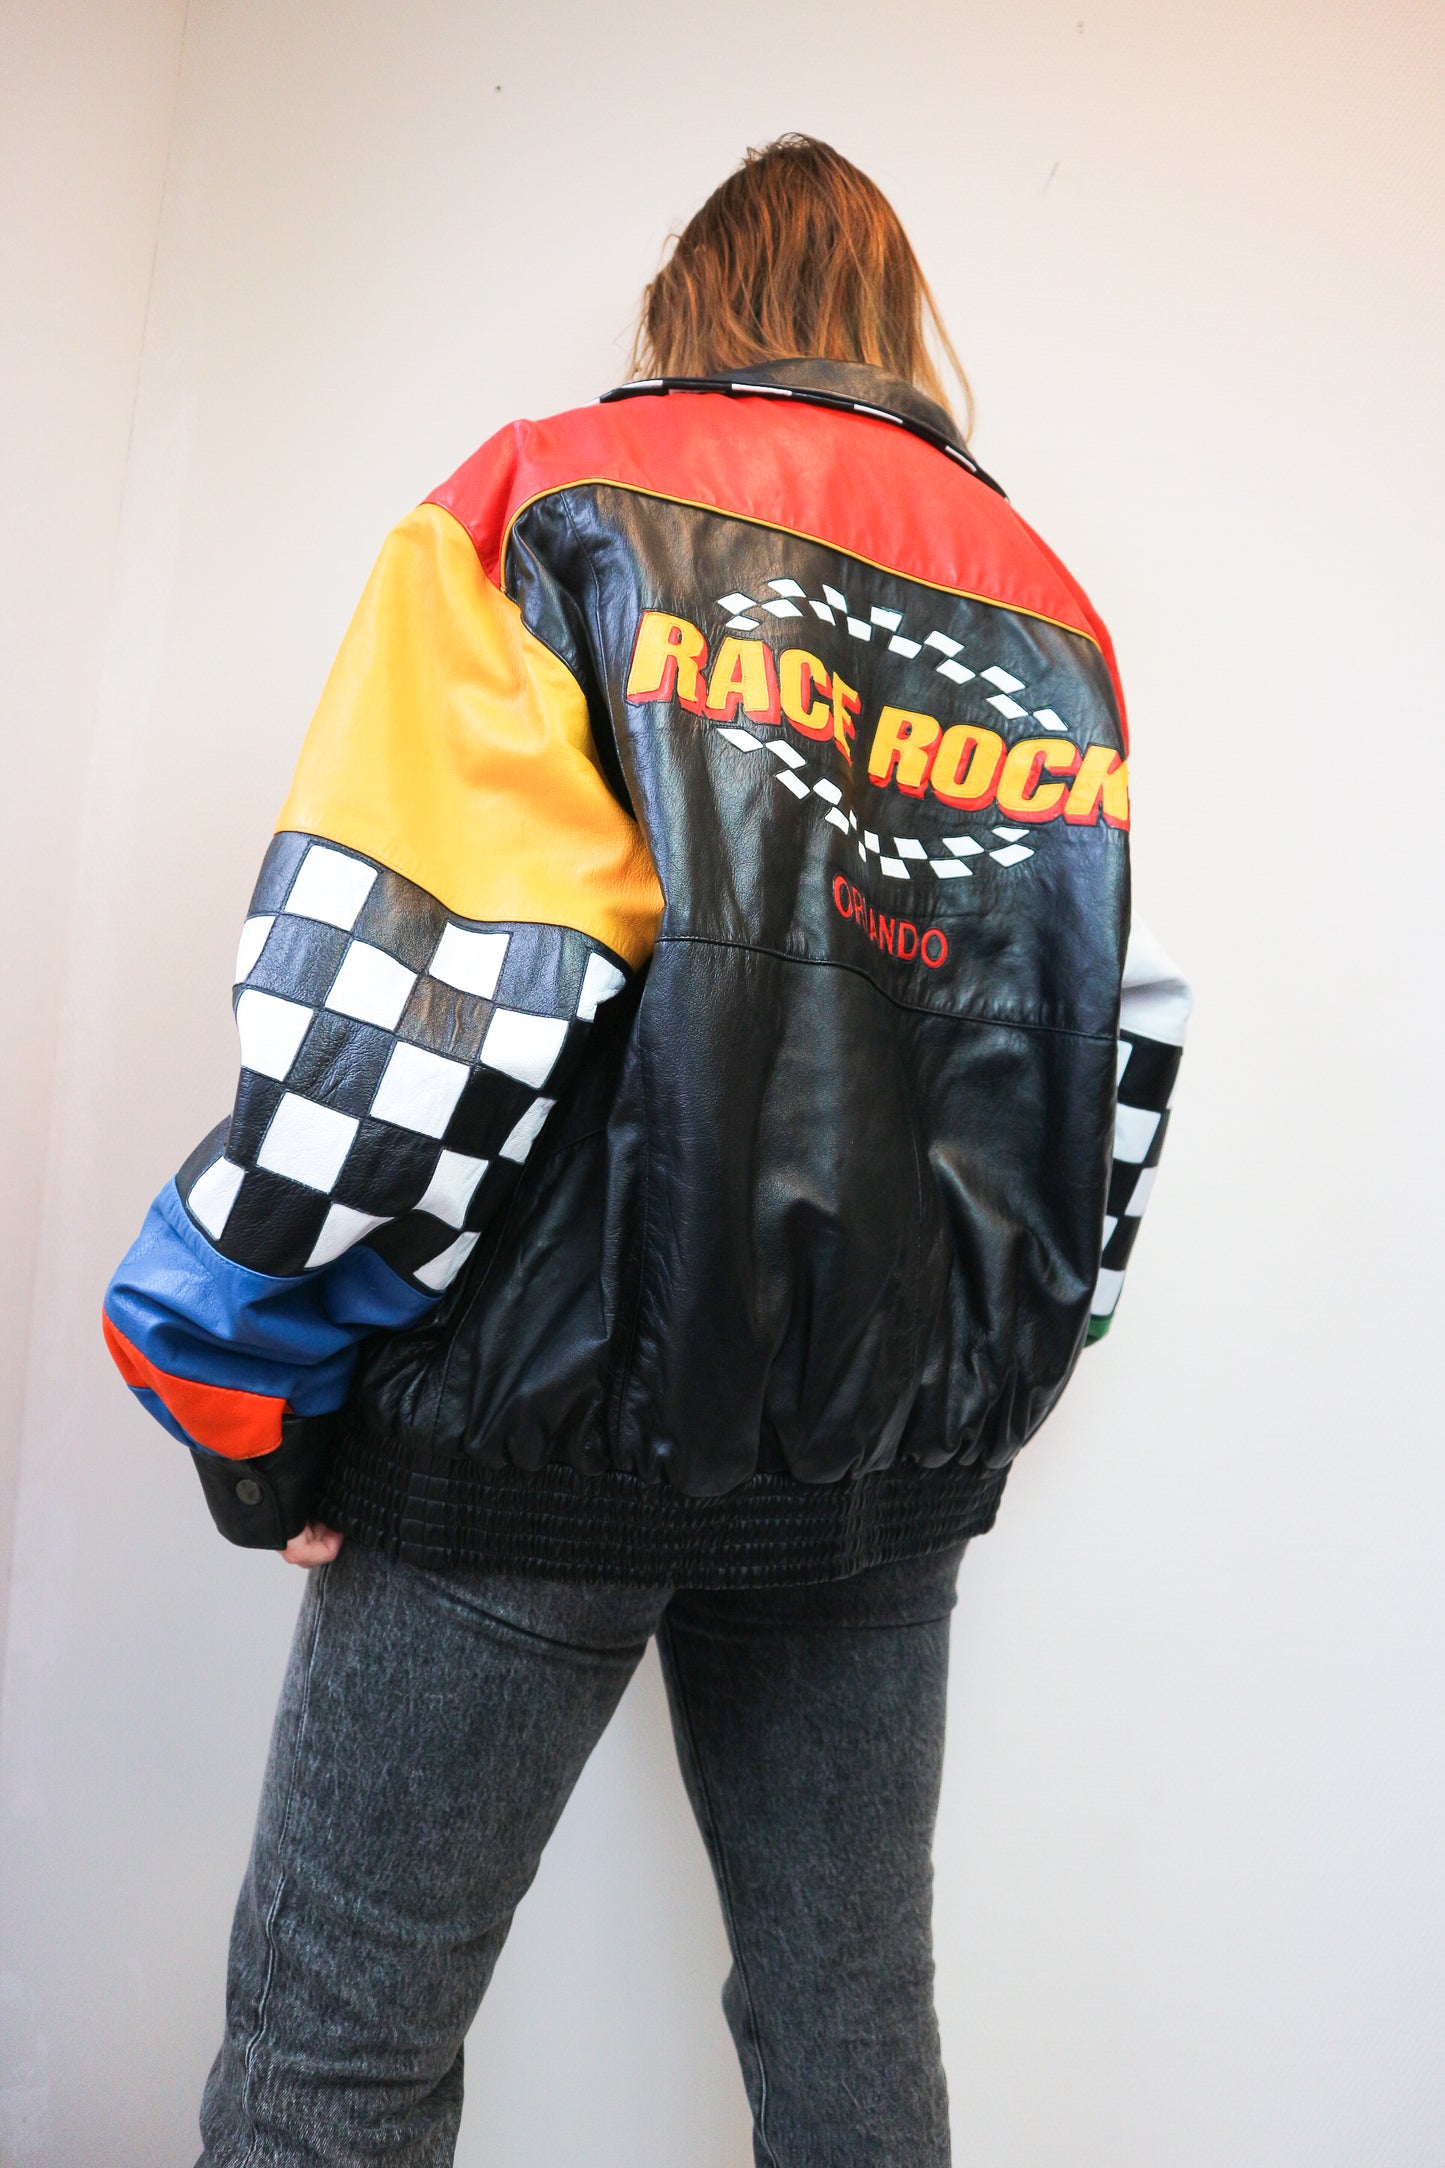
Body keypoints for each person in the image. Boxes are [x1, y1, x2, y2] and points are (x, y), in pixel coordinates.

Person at [103, 135, 1191, 2167]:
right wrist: (972, 1391)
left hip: (529, 1429)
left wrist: (236, 1375)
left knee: (342, 2043)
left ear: (688, 307)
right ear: (897, 325)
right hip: (880, 1470)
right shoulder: (1046, 610)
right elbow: (1099, 1069)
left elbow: (413, 995)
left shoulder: (552, 505)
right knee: (850, 2019)